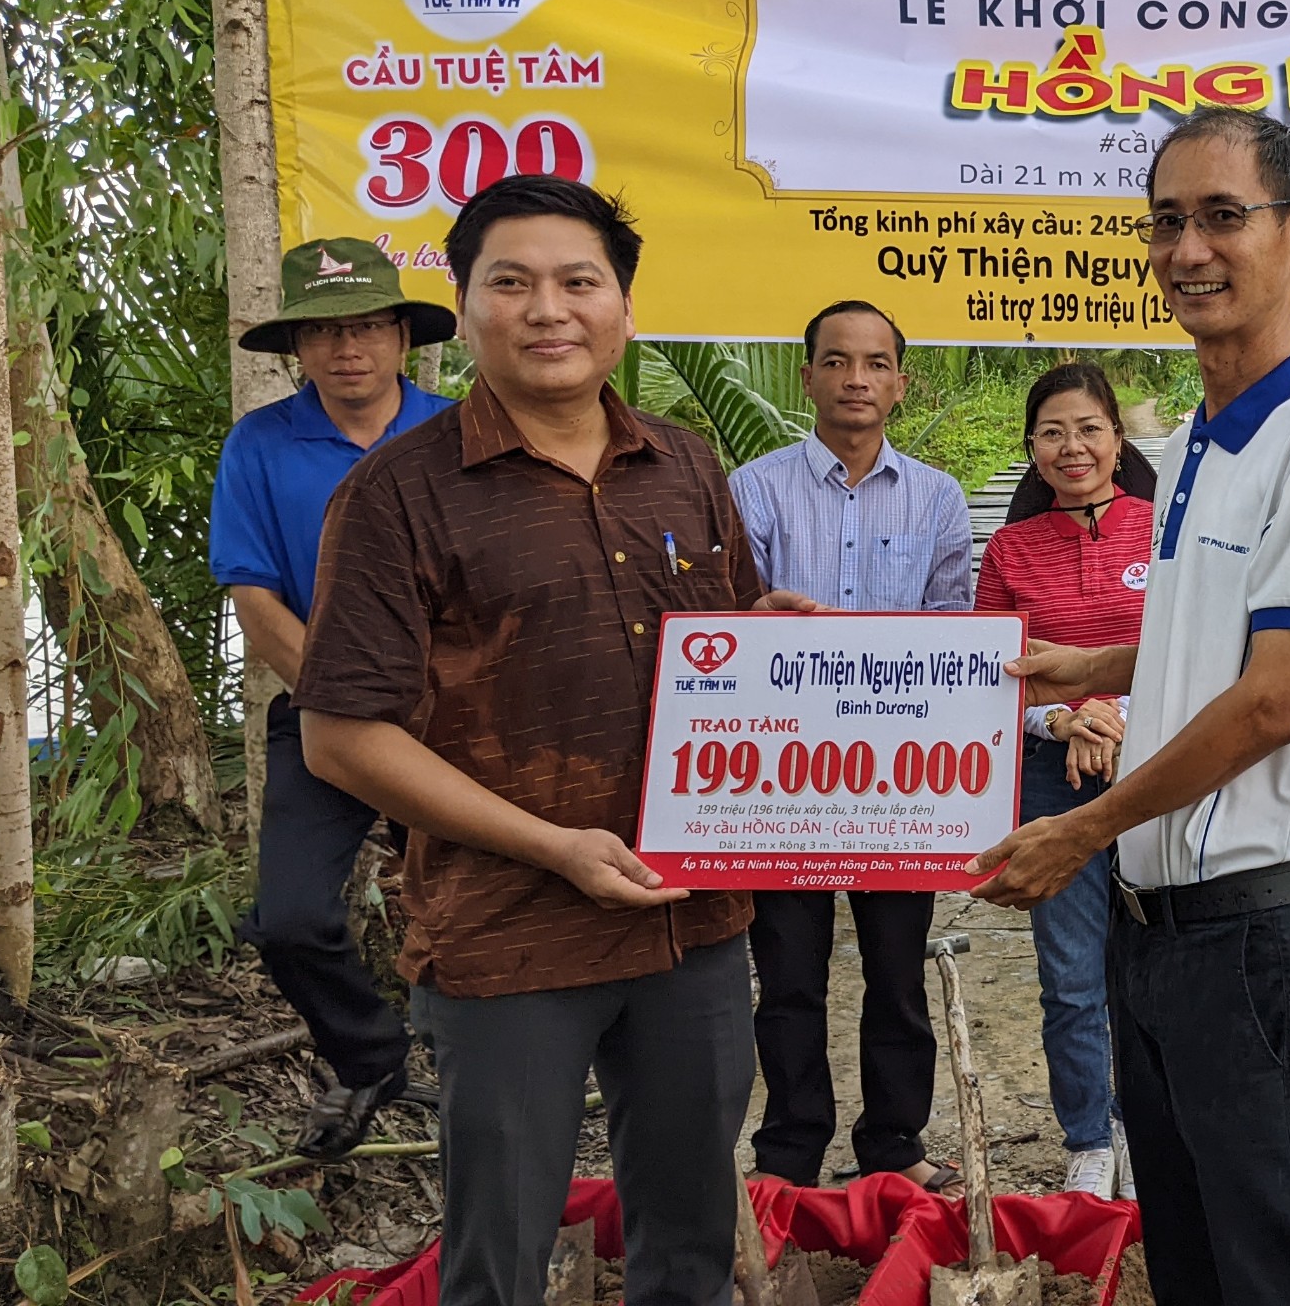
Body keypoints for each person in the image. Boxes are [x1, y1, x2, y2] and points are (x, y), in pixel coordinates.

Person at [296, 175, 800, 1306]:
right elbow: (342, 737)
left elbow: (723, 655)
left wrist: (772, 643)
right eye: (511, 283)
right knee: (500, 1258)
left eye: (579, 281)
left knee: (690, 1243)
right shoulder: (396, 495)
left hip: (691, 919)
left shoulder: (684, 462)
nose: (548, 310)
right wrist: (553, 845)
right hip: (509, 934)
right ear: (464, 309)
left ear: (624, 306)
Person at [970, 106, 1290, 1306]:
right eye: (1166, 222)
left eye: (1222, 216)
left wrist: (1079, 830)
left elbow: (1271, 703)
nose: (1188, 250)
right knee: (1198, 1269)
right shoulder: (1204, 439)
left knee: (1287, 1276)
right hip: (1156, 933)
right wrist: (1092, 667)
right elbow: (1215, 639)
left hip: (1255, 939)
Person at [210, 237, 456, 1158]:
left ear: (401, 337)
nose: (347, 348)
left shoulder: (459, 431)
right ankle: (369, 1060)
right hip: (326, 715)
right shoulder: (260, 444)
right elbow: (254, 597)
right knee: (291, 920)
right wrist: (347, 702)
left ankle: (492, 1074)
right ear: (298, 349)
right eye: (323, 332)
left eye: (367, 327)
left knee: (478, 903)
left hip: (457, 718)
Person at [727, 299, 974, 1192]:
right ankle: (790, 1149)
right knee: (788, 973)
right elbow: (730, 620)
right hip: (783, 776)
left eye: (875, 363)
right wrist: (754, 616)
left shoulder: (939, 498)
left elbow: (955, 633)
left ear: (901, 383)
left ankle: (894, 1145)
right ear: (808, 378)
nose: (856, 379)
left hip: (896, 780)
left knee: (896, 973)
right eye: (836, 361)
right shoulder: (754, 489)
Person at [974, 362, 1160, 1200]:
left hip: (1161, 772)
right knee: (1071, 974)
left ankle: (1157, 1127)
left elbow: (1193, 655)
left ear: (1118, 439)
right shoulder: (1009, 550)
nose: (1072, 447)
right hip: (1052, 778)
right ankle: (1089, 1136)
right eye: (1052, 432)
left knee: (1163, 963)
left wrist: (1112, 712)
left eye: (1089, 429)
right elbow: (989, 674)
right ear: (1031, 449)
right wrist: (1061, 721)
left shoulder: (1164, 533)